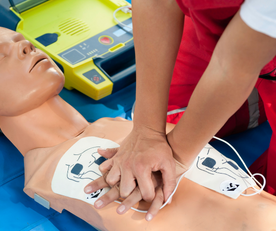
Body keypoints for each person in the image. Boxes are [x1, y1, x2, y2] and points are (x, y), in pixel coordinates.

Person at [0, 23, 276, 230]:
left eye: (21, 41)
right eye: (1, 57)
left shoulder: (125, 123)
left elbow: (237, 65)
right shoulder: (48, 174)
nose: (26, 46)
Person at [89, 0, 276, 218]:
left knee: (263, 204)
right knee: (171, 122)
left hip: (252, 38)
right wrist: (147, 131)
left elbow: (232, 67)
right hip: (238, 24)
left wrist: (177, 158)